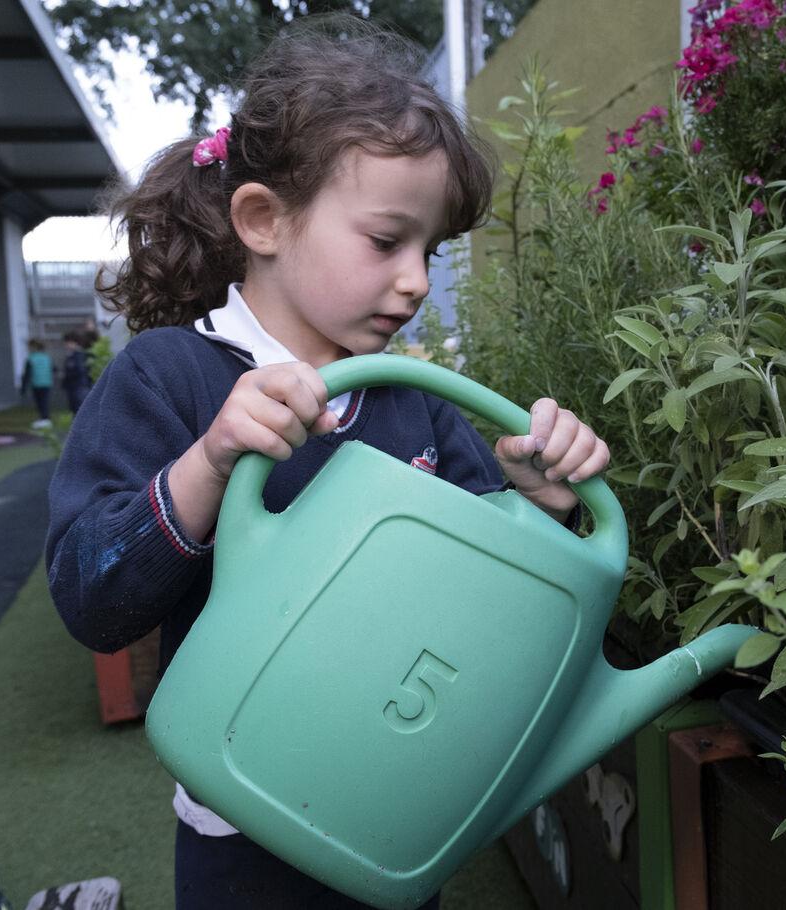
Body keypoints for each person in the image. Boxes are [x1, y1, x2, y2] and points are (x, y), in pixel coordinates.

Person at [44, 16, 609, 910]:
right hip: (247, 818)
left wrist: (539, 507)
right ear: (264, 220)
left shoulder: (412, 400)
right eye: (388, 242)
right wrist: (211, 460)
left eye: (432, 249)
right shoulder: (172, 377)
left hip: (392, 801)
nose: (419, 279)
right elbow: (90, 598)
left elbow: (480, 605)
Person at [21, 339, 54, 428]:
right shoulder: (46, 357)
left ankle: (45, 419)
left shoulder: (31, 358)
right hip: (47, 382)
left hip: (37, 383)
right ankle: (45, 418)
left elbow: (27, 374)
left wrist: (23, 388)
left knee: (40, 402)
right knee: (45, 401)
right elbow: (53, 368)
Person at [60, 331, 93, 414]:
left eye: (67, 343)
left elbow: (80, 371)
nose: (66, 345)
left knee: (79, 410)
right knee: (75, 410)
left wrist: (66, 375)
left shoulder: (79, 356)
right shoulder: (72, 356)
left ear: (74, 343)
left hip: (79, 387)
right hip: (75, 387)